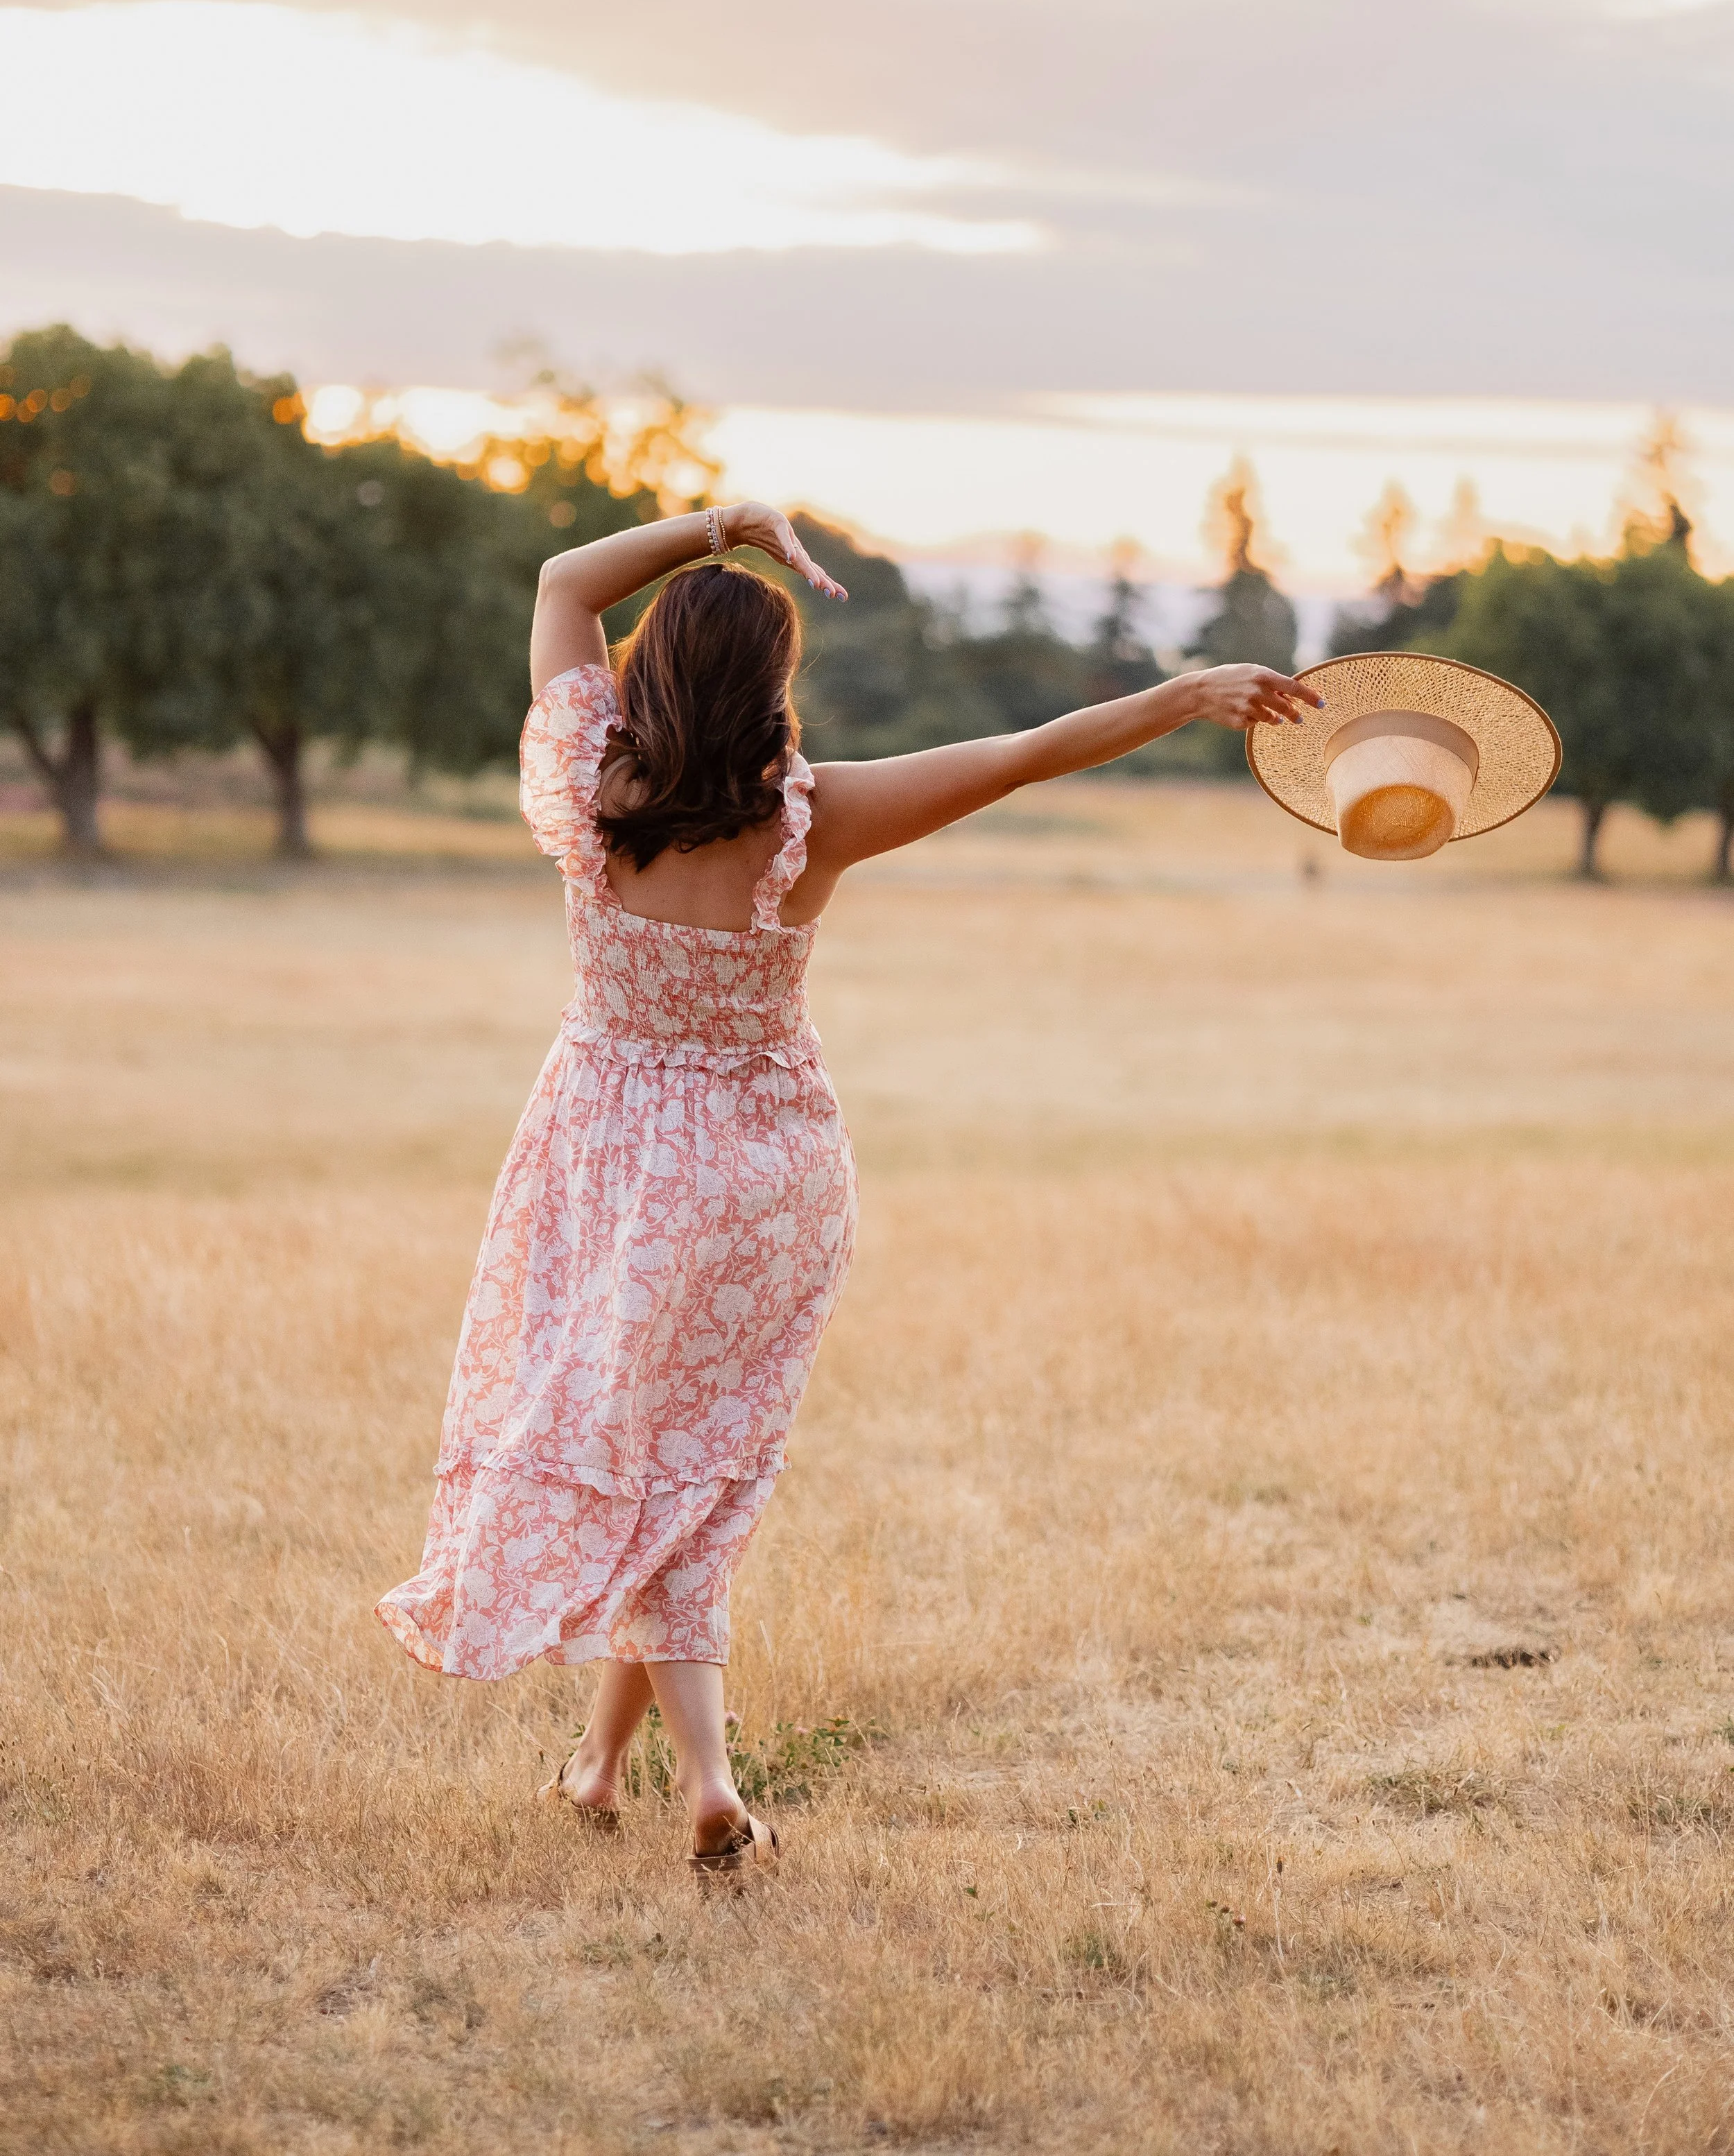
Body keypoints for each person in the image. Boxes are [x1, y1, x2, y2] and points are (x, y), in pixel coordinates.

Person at [377, 501, 1321, 1872]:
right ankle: (633, 1773)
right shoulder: (809, 824)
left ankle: (645, 1771)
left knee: (650, 1463)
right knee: (698, 1472)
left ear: (648, 674)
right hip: (763, 1176)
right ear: (770, 692)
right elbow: (1019, 755)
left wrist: (715, 527)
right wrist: (1183, 694)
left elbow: (562, 577)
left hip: (604, 1160)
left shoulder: (591, 781)